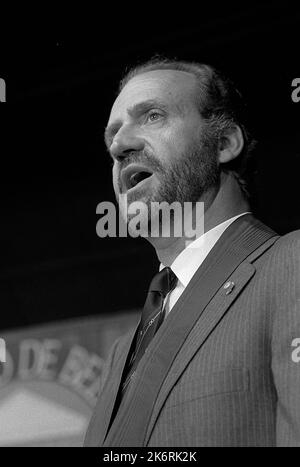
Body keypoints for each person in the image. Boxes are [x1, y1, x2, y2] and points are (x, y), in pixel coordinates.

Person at [84, 58, 300, 447]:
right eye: (112, 135)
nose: (118, 145)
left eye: (152, 116)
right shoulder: (122, 351)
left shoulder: (291, 265)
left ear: (224, 143)